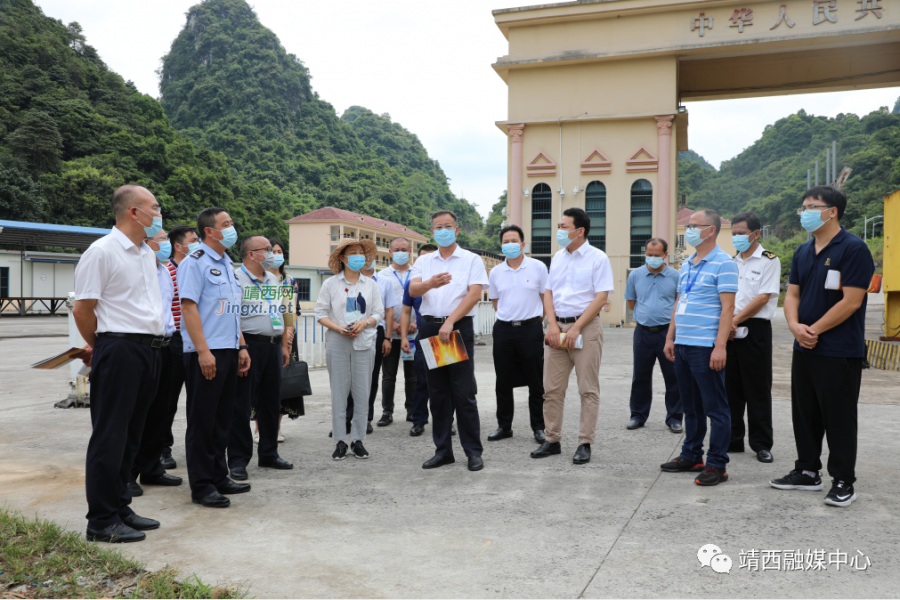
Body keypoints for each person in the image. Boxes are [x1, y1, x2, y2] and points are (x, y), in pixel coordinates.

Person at [73, 184, 166, 543]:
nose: (159, 213)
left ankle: (120, 505)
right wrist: (102, 347)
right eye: (154, 207)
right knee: (110, 435)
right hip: (121, 349)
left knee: (132, 436)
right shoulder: (102, 252)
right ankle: (101, 520)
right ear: (134, 212)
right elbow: (83, 308)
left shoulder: (145, 253)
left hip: (150, 351)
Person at [770, 186, 874, 507]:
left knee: (839, 416)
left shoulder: (853, 249)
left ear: (832, 211)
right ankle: (807, 471)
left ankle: (843, 480)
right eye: (803, 207)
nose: (805, 212)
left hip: (838, 349)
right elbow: (792, 295)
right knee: (805, 413)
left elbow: (852, 300)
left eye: (812, 207)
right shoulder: (803, 251)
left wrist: (812, 329)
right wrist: (794, 327)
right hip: (805, 347)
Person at [177, 207, 252, 508]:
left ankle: (219, 475)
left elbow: (232, 312)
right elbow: (189, 307)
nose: (232, 228)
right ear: (210, 231)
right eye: (226, 224)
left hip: (230, 349)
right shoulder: (195, 263)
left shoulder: (227, 263)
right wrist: (203, 351)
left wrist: (242, 346)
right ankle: (202, 485)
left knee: (223, 418)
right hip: (206, 352)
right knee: (202, 420)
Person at [660, 209, 738, 486]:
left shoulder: (724, 263)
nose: (689, 230)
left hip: (705, 346)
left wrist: (720, 347)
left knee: (716, 409)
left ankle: (717, 465)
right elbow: (679, 304)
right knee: (690, 407)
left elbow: (727, 308)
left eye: (695, 226)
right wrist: (670, 338)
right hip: (682, 345)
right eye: (688, 225)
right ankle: (692, 455)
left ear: (711, 230)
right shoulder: (688, 264)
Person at [532, 207, 613, 465]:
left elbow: (601, 297)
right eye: (559, 225)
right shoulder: (557, 257)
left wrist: (577, 327)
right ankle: (552, 439)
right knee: (552, 389)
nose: (559, 231)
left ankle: (584, 442)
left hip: (585, 328)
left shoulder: (598, 258)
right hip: (558, 328)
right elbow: (548, 292)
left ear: (580, 231)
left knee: (587, 388)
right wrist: (552, 325)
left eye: (564, 226)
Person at [410, 210, 488, 472]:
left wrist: (451, 321)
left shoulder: (470, 259)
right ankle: (443, 451)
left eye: (448, 226)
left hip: (454, 329)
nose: (443, 230)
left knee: (463, 393)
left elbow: (474, 294)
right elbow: (413, 290)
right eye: (437, 226)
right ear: (432, 231)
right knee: (439, 393)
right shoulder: (425, 261)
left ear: (456, 230)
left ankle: (473, 452)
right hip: (431, 328)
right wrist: (430, 283)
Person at [226, 236, 294, 481]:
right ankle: (237, 460)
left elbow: (281, 311)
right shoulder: (235, 278)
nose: (272, 253)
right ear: (251, 254)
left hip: (273, 346)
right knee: (241, 404)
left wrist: (285, 344)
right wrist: (241, 347)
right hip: (249, 345)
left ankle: (269, 453)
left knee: (271, 402)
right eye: (266, 250)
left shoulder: (274, 279)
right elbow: (232, 317)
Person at [315, 239, 385, 460]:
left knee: (362, 392)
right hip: (338, 342)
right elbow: (320, 313)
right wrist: (338, 328)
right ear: (343, 259)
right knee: (339, 392)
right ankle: (340, 441)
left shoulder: (370, 284)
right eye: (353, 253)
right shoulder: (331, 284)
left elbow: (378, 313)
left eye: (361, 253)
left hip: (364, 342)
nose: (358, 256)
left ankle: (358, 439)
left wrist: (365, 323)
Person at [128, 228, 183, 497]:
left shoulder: (165, 271)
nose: (165, 245)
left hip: (166, 345)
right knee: (137, 413)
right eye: (161, 241)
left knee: (161, 410)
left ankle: (151, 468)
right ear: (145, 242)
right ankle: (127, 475)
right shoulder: (135, 268)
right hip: (139, 347)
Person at [727, 211, 780, 463]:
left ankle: (761, 443)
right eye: (734, 233)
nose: (736, 237)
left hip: (755, 330)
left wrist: (734, 321)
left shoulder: (769, 260)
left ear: (756, 234)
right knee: (730, 387)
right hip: (728, 331)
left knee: (757, 388)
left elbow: (763, 298)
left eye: (741, 233)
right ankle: (733, 439)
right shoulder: (730, 262)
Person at [487, 224, 547, 444]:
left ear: (523, 244)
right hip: (503, 329)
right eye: (505, 241)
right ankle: (504, 426)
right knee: (502, 380)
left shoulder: (538, 267)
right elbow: (495, 301)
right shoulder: (495, 271)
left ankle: (539, 427)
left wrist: (534, 322)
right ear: (501, 245)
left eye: (514, 241)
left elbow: (545, 298)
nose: (509, 245)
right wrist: (509, 318)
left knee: (535, 380)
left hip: (530, 329)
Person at [624, 238, 682, 433]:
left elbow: (679, 303)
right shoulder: (636, 275)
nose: (652, 258)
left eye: (657, 255)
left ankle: (674, 418)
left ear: (665, 255)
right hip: (643, 332)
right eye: (649, 255)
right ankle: (638, 415)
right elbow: (632, 302)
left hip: (668, 333)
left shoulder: (676, 276)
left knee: (673, 376)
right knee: (640, 376)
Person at [159, 225, 199, 470]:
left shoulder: (197, 269)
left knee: (197, 400)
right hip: (174, 341)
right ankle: (163, 448)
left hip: (195, 341)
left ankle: (197, 449)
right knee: (168, 400)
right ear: (178, 245)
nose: (198, 244)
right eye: (194, 240)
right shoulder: (166, 272)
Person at [343, 258, 396, 435]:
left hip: (375, 332)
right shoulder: (347, 280)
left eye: (368, 256)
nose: (365, 260)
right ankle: (346, 419)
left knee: (371, 378)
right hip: (351, 331)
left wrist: (387, 337)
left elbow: (389, 311)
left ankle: (365, 418)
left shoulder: (385, 282)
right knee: (349, 377)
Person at [377, 237, 417, 426]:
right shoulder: (382, 275)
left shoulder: (418, 273)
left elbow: (424, 301)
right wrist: (392, 323)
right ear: (390, 252)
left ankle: (412, 409)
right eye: (397, 249)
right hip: (390, 334)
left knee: (412, 375)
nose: (401, 252)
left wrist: (415, 323)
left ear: (410, 252)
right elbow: (378, 304)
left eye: (404, 249)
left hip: (413, 332)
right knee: (389, 375)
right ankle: (387, 411)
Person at [401, 244, 436, 436]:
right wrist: (405, 336)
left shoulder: (446, 280)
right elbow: (406, 310)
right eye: (422, 259)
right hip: (424, 335)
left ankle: (448, 420)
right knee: (422, 380)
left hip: (446, 335)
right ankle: (419, 420)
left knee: (448, 380)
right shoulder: (412, 285)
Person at [267, 238, 297, 438]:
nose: (277, 255)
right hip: (264, 334)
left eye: (280, 251)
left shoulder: (289, 281)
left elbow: (291, 311)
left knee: (282, 383)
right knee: (263, 383)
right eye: (273, 251)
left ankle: (276, 428)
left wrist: (289, 335)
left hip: (286, 335)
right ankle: (260, 429)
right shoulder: (258, 279)